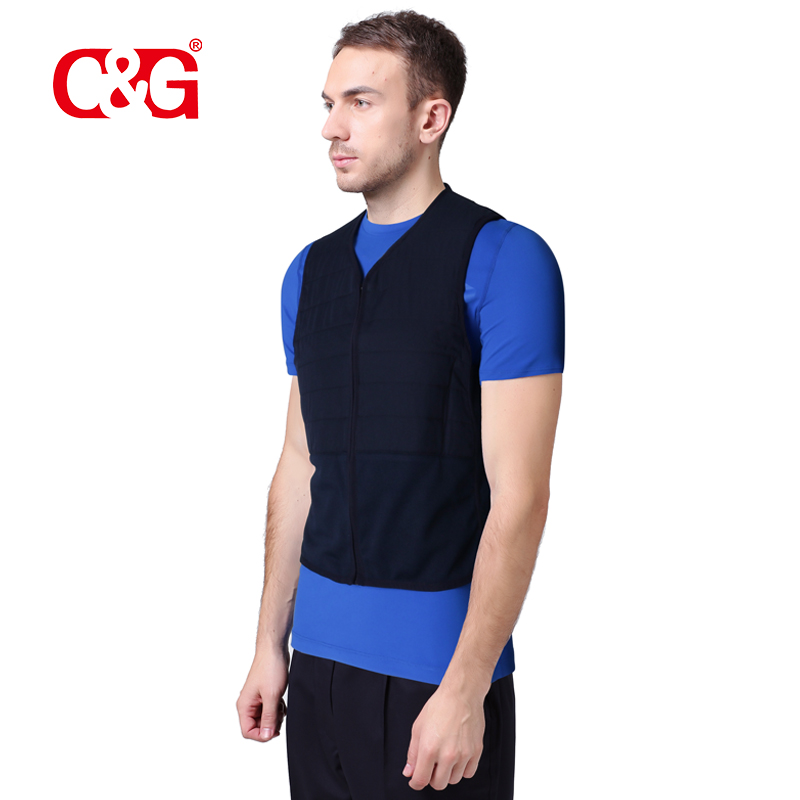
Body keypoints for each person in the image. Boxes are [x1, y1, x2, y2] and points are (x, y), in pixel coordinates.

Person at [237, 10, 564, 798]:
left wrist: (466, 687)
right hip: (317, 672)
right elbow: (299, 465)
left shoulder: (505, 259)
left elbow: (520, 496)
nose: (332, 128)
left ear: (430, 118)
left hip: (435, 679)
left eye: (361, 102)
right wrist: (269, 645)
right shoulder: (309, 273)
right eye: (329, 104)